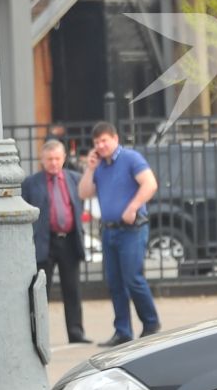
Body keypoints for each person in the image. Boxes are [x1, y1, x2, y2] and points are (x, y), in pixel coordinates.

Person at [79, 121, 161, 345]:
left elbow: (150, 184)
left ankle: (151, 323)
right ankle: (122, 330)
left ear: (115, 139)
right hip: (109, 230)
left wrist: (133, 207)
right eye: (97, 142)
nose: (101, 145)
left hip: (132, 229)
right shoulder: (100, 166)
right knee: (115, 282)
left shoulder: (131, 159)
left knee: (133, 278)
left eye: (104, 140)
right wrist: (90, 167)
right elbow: (84, 192)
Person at [21, 138, 88, 345]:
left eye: (57, 158)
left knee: (72, 289)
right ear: (42, 160)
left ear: (64, 158)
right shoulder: (31, 183)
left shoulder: (75, 179)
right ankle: (38, 335)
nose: (54, 163)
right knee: (41, 291)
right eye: (49, 159)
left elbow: (80, 204)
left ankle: (76, 333)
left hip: (68, 240)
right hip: (44, 242)